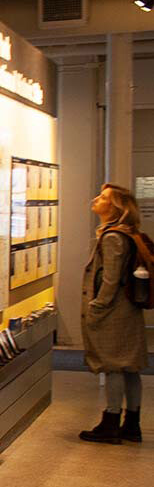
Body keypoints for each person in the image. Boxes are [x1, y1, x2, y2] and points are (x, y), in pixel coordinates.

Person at [79, 184, 148, 443]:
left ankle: (111, 423)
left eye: (104, 197)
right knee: (130, 367)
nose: (96, 199)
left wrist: (97, 306)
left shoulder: (112, 237)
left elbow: (110, 278)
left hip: (114, 311)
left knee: (114, 367)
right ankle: (132, 424)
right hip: (126, 309)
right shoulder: (125, 233)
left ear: (115, 207)